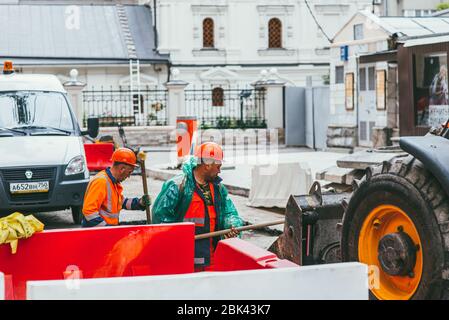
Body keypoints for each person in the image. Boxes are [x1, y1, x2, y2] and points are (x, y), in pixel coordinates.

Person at [152, 142, 243, 271]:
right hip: (185, 256)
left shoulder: (218, 188)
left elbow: (229, 212)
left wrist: (232, 225)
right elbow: (160, 218)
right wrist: (175, 238)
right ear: (207, 165)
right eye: (218, 166)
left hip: (211, 255)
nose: (220, 171)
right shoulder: (178, 186)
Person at [82, 147, 151, 227]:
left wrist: (140, 202)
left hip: (106, 231)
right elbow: (89, 212)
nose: (128, 176)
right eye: (129, 172)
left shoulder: (113, 182)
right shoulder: (101, 181)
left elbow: (121, 202)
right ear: (122, 169)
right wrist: (107, 229)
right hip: (96, 235)